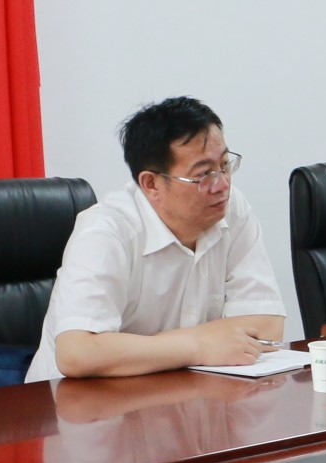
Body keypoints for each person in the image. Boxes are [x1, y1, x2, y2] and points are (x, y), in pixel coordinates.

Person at [28, 97, 285, 380]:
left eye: (224, 165)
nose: (222, 185)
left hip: (178, 390)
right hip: (75, 401)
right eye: (203, 174)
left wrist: (152, 350)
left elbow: (269, 326)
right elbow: (77, 353)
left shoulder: (232, 210)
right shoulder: (106, 232)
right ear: (151, 184)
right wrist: (198, 346)